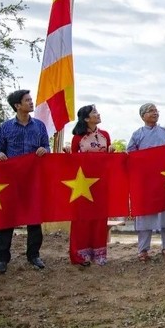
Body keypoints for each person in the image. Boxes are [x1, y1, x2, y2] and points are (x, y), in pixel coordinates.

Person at [0, 89, 50, 273]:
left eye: (31, 99)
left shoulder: (40, 126)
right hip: (11, 180)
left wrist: (44, 151)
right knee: (7, 218)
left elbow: (46, 147)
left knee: (34, 218)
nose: (31, 103)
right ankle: (2, 258)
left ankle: (34, 255)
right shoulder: (5, 128)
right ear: (17, 105)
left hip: (33, 179)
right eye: (27, 100)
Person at [127, 102, 165, 261]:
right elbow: (130, 154)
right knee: (145, 214)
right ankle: (143, 250)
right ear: (143, 116)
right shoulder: (137, 134)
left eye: (156, 110)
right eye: (151, 111)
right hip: (146, 181)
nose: (155, 113)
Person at [69, 105, 115, 266]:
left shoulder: (105, 135)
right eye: (94, 113)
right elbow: (71, 162)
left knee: (100, 217)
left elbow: (107, 160)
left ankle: (99, 253)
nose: (98, 114)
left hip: (101, 182)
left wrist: (111, 153)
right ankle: (80, 255)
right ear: (87, 119)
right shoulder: (77, 138)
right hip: (82, 184)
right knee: (82, 218)